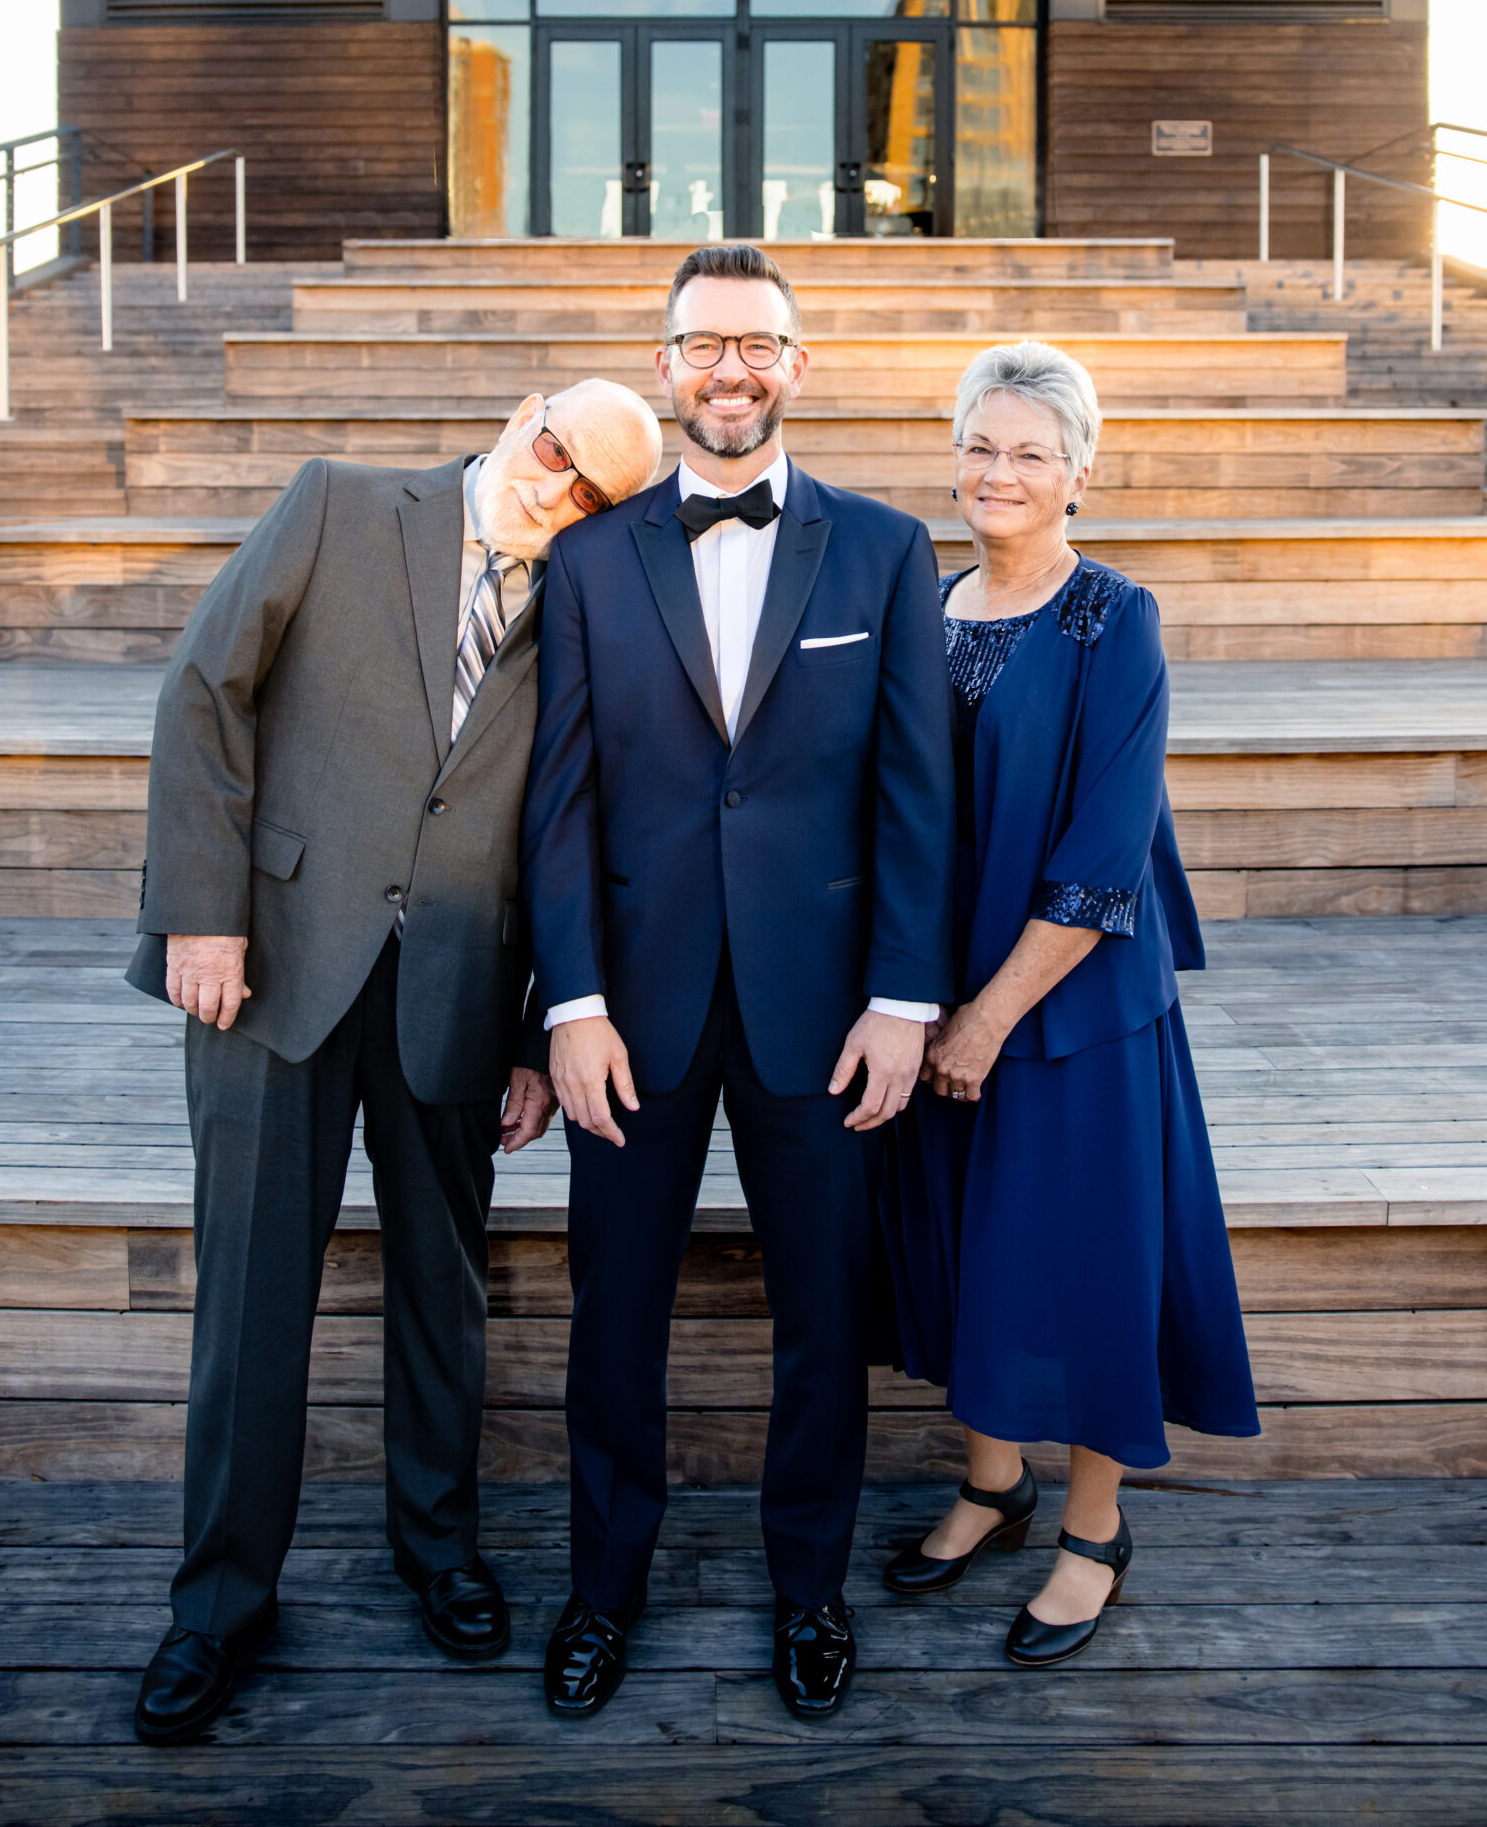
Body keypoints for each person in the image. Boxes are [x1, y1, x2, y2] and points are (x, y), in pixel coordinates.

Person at [125, 381, 664, 1746]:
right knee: (249, 1298)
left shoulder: (588, 610)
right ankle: (219, 1605)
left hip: (458, 998)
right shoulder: (339, 500)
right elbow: (207, 692)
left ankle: (441, 1551)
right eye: (558, 454)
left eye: (595, 493)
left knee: (443, 1291)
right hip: (273, 969)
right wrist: (203, 908)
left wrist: (549, 1017)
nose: (561, 492)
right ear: (523, 412)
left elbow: (577, 828)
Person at [522, 244, 956, 1724]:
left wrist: (906, 998)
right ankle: (603, 1589)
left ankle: (811, 1591)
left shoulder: (889, 552)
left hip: (824, 1012)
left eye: (759, 344)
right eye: (704, 344)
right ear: (666, 364)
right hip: (630, 1016)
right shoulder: (586, 562)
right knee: (612, 1316)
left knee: (825, 1317)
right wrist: (567, 1005)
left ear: (799, 364)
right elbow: (560, 804)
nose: (731, 369)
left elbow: (916, 796)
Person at [880, 340, 1258, 1667]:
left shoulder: (1114, 618)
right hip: (933, 996)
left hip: (1074, 1005)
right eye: (980, 446)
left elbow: (1107, 857)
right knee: (964, 1242)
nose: (999, 472)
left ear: (1078, 472)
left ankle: (1093, 1529)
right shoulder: (919, 607)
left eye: (1029, 451)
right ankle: (993, 1481)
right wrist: (911, 1002)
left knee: (1091, 1261)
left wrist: (986, 1017)